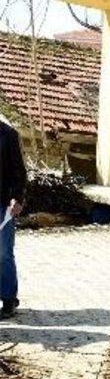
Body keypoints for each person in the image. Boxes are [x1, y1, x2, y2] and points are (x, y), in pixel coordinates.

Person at [0, 117, 27, 319]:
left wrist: (17, 198)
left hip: (2, 205)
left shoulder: (8, 135)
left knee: (3, 253)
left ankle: (9, 299)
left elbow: (19, 171)